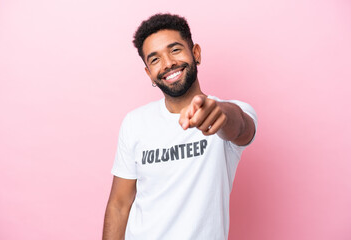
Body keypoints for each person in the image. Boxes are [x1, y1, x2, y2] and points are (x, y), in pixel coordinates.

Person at [102, 13, 257, 240]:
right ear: (149, 74)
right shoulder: (134, 123)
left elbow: (241, 127)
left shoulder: (230, 112)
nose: (168, 64)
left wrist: (218, 114)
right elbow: (119, 204)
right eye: (155, 59)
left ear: (196, 53)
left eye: (175, 50)